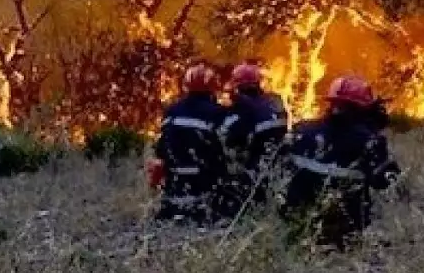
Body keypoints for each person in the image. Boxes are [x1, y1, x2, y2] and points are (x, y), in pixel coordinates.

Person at [278, 75, 401, 250]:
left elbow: (281, 165)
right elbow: (386, 181)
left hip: (297, 221)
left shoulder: (301, 129)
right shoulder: (369, 141)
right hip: (342, 230)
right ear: (361, 108)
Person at [146, 63, 237, 223]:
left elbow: (161, 148)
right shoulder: (217, 113)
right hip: (204, 185)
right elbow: (228, 147)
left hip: (173, 187)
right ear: (213, 86)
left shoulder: (171, 111)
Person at [220, 62, 289, 203]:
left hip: (254, 171)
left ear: (238, 86)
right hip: (278, 168)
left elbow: (227, 135)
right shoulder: (276, 101)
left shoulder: (243, 108)